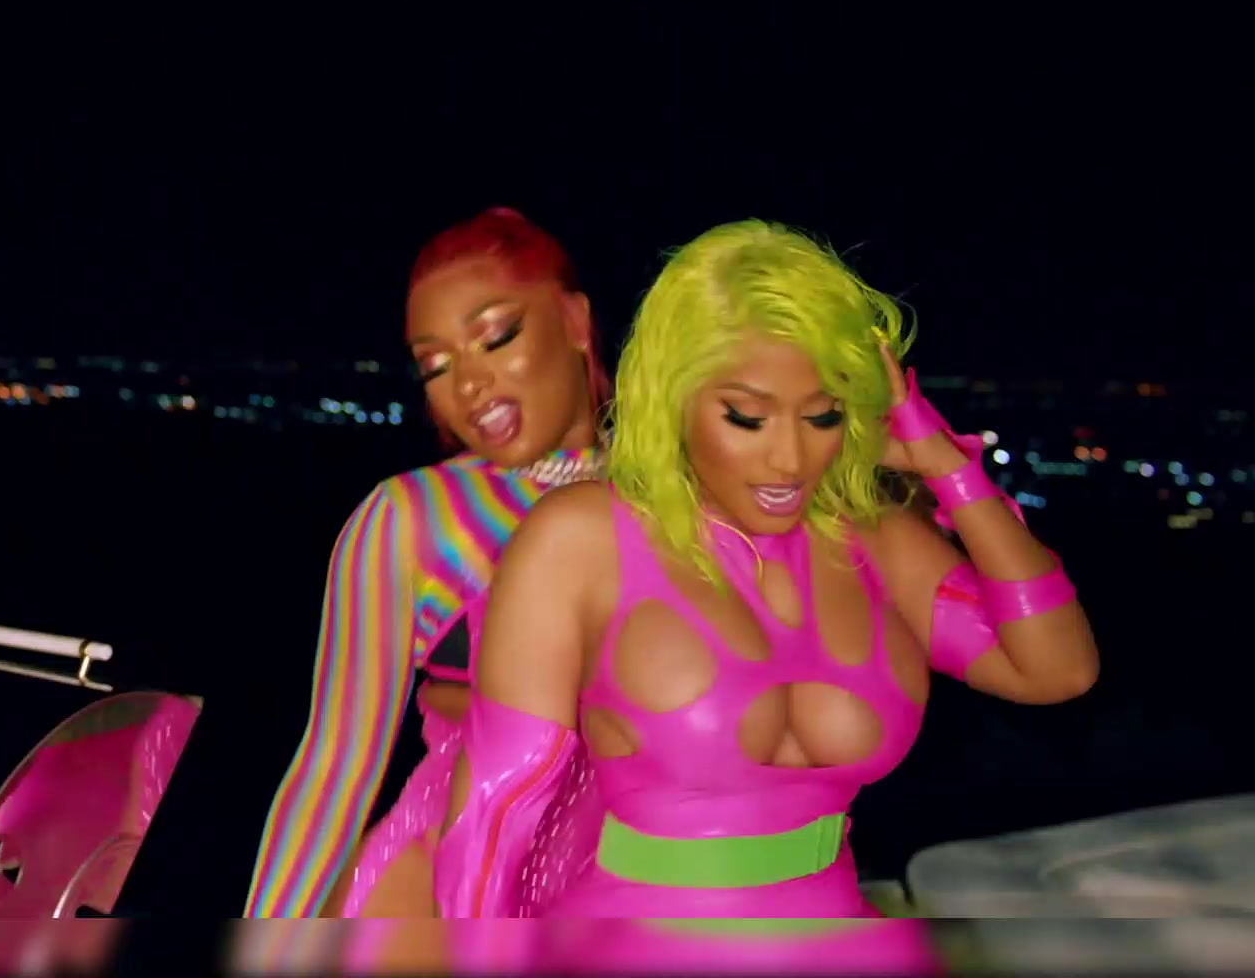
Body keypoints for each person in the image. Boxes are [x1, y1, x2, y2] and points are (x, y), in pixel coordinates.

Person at [434, 220, 1098, 932]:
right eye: (747, 418)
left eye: (823, 416)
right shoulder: (582, 537)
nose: (790, 458)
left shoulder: (878, 542)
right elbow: (494, 811)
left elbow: (1056, 669)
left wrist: (948, 468)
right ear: (675, 399)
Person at [241, 207, 610, 920]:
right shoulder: (416, 517)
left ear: (574, 320)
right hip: (442, 898)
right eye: (436, 366)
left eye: (496, 337)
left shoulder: (674, 499)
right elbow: (334, 768)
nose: (468, 384)